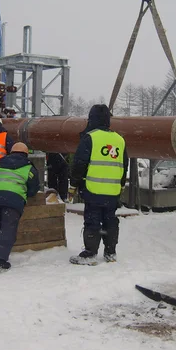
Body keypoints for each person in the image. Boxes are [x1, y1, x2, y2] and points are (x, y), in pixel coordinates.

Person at [69, 104, 128, 265]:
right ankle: (110, 252)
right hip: (113, 191)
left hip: (93, 189)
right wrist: (121, 186)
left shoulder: (90, 138)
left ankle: (90, 253)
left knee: (92, 220)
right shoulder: (119, 140)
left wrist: (73, 185)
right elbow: (124, 165)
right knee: (110, 220)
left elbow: (79, 164)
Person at [0, 142, 40, 273]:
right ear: (26, 154)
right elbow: (33, 189)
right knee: (7, 229)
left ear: (10, 152)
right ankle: (0, 261)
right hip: (13, 200)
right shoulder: (29, 168)